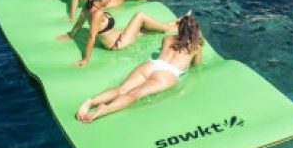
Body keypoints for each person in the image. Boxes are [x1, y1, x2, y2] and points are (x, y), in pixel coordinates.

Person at [75, 12, 203, 122]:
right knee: (134, 95)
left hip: (153, 65)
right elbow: (197, 65)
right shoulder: (196, 48)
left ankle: (90, 102)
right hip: (167, 74)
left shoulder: (168, 38)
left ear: (179, 28)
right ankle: (104, 110)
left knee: (121, 89)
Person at [60, 0, 186, 66]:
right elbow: (91, 37)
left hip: (120, 35)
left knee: (149, 27)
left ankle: (175, 24)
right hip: (118, 43)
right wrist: (85, 59)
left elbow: (79, 24)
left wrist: (71, 35)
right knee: (140, 16)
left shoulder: (88, 7)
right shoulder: (97, 14)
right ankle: (174, 25)